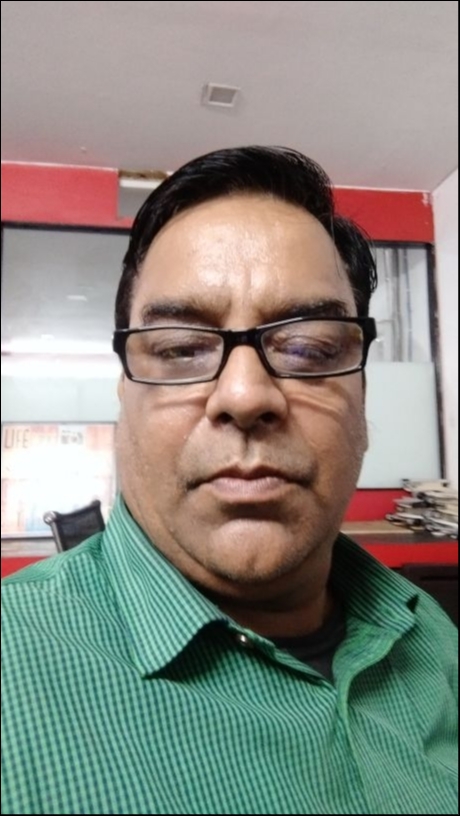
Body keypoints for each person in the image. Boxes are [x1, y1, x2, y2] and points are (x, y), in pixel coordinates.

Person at [1, 146, 457, 816]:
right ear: (124, 392)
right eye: (180, 349)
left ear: (362, 392)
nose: (244, 396)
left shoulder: (432, 636)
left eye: (309, 348)